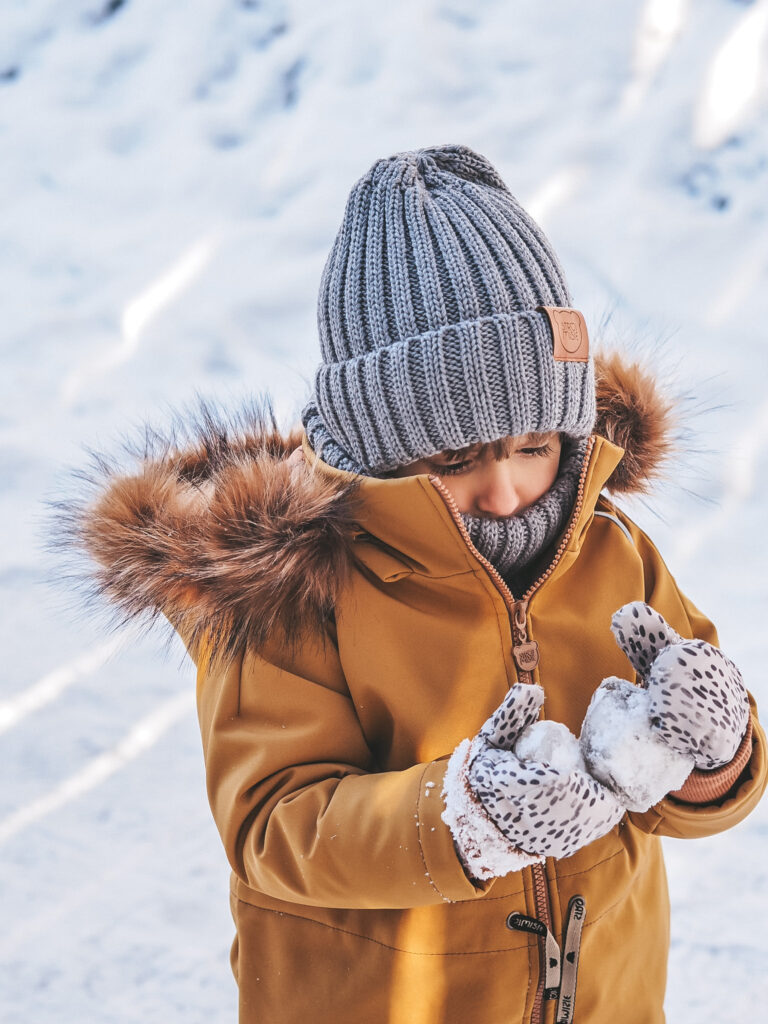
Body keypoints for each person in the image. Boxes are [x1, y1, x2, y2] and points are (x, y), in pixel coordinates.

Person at [65, 145, 766, 1023]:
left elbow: (670, 790)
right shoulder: (292, 595)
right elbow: (273, 828)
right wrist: (460, 818)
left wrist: (715, 756)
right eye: (453, 458)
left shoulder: (608, 549)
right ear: (378, 447)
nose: (507, 490)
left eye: (534, 446)